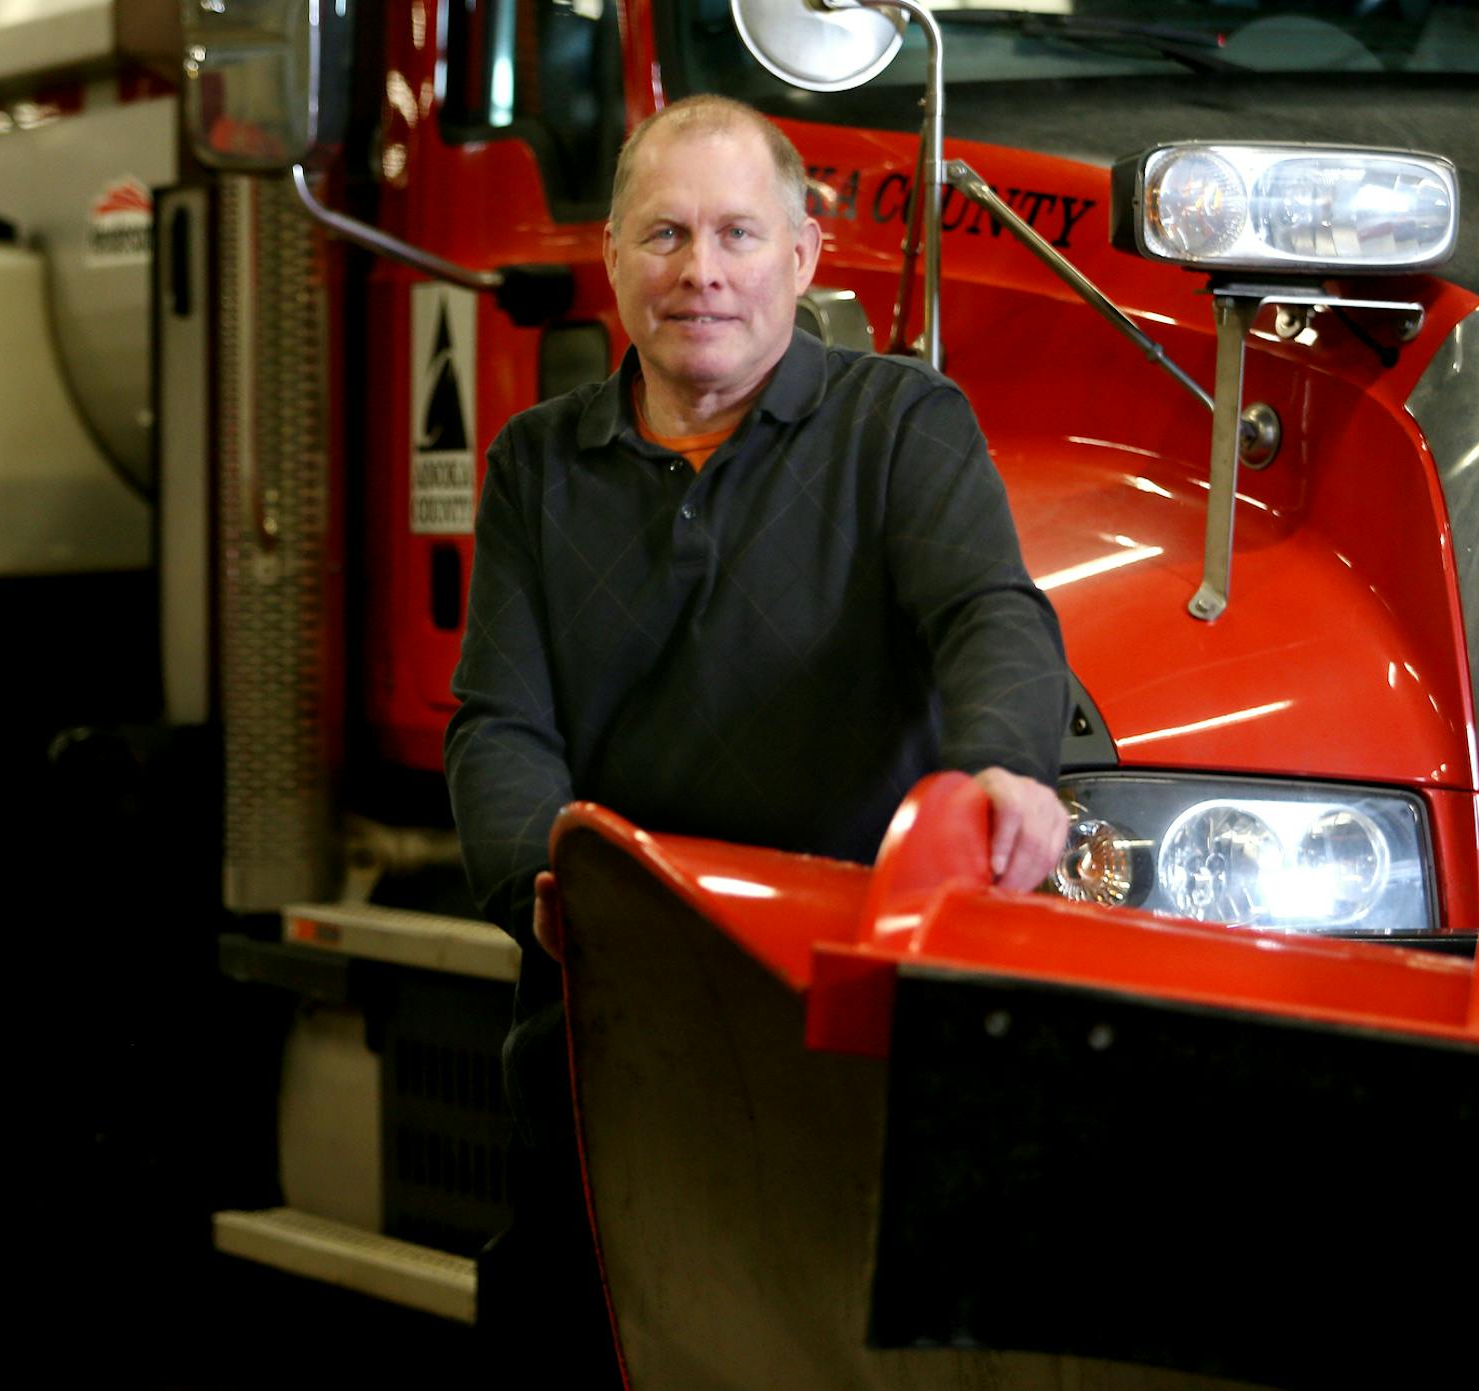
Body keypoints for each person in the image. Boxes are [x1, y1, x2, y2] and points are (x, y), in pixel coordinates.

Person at [444, 94, 1070, 1382]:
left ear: (804, 254)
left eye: (738, 234)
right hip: (614, 1015)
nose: (702, 274)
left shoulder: (905, 429)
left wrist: (1010, 762)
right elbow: (500, 724)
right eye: (665, 236)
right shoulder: (532, 466)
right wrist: (548, 892)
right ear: (611, 256)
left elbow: (987, 614)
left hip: (841, 1014)